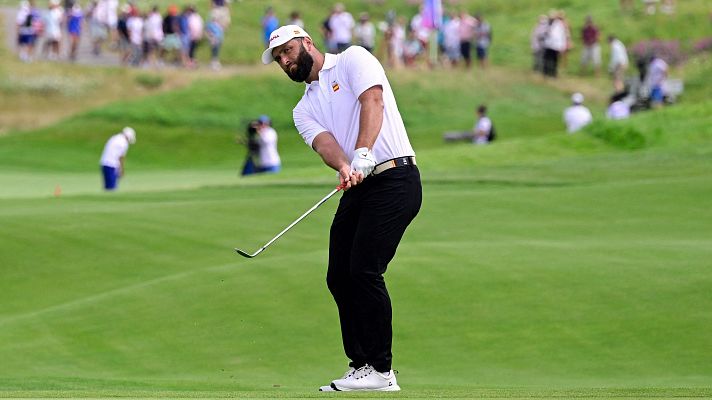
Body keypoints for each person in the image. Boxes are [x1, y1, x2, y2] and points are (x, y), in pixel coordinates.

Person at [261, 24, 421, 392]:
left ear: (306, 43)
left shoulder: (353, 59)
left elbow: (373, 102)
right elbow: (324, 144)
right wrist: (346, 166)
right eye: (278, 59)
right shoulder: (303, 108)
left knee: (364, 269)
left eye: (287, 51)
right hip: (359, 183)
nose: (284, 61)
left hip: (396, 177)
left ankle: (382, 371)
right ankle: (362, 365)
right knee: (339, 276)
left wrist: (363, 151)